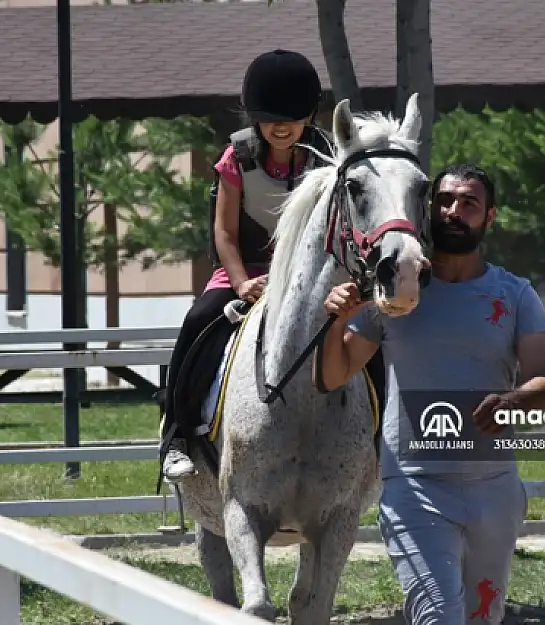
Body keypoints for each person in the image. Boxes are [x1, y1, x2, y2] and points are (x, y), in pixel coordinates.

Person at [317, 164, 545, 625]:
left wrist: (512, 401)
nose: (454, 211)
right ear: (427, 210)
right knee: (437, 617)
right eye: (445, 200)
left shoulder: (513, 294)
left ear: (489, 217)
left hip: (494, 490)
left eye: (469, 203)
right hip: (415, 488)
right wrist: (334, 321)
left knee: (481, 618)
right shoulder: (392, 294)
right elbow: (333, 375)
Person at [159, 48, 385, 481]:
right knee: (198, 322)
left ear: (308, 115)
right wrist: (242, 284)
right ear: (254, 118)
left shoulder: (328, 154)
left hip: (315, 274)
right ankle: (178, 436)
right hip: (246, 270)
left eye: (293, 116)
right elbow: (224, 232)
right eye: (270, 117)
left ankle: (381, 437)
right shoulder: (236, 158)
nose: (281, 126)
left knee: (372, 333)